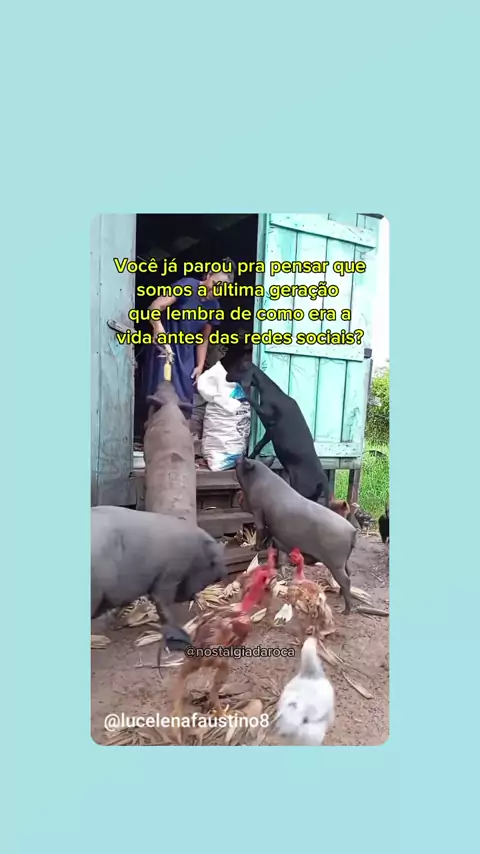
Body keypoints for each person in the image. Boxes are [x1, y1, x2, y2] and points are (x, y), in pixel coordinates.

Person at [143, 259, 236, 417]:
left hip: (186, 355)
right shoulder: (187, 285)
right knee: (160, 396)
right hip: (165, 349)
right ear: (208, 275)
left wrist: (200, 366)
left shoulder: (214, 306)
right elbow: (155, 307)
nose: (216, 291)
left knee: (184, 399)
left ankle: (180, 430)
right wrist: (158, 328)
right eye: (215, 284)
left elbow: (203, 339)